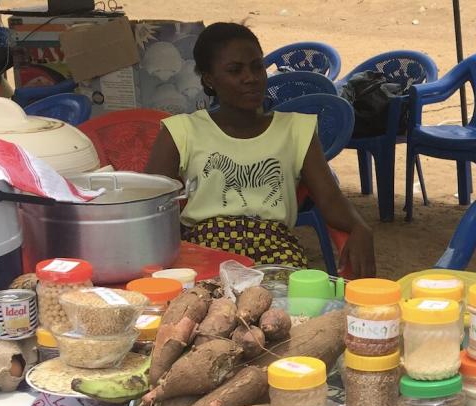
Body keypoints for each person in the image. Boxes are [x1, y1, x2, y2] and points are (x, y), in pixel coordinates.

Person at [146, 23, 375, 277]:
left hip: (276, 247)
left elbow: (330, 199)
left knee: (285, 310)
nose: (251, 77)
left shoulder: (296, 129)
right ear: (209, 79)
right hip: (204, 249)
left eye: (257, 66)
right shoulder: (181, 131)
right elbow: (150, 208)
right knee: (208, 310)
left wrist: (359, 227)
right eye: (235, 70)